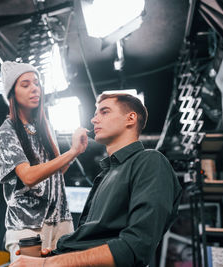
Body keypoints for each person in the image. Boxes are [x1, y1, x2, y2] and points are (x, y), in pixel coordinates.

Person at [10, 93, 182, 267]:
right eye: (95, 114)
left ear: (130, 118)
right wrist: (50, 256)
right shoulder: (104, 175)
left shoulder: (150, 161)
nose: (93, 120)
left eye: (104, 112)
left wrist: (49, 263)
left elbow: (135, 248)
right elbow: (86, 243)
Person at [0, 61, 88, 262]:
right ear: (12, 93)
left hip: (61, 221)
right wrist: (71, 152)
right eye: (25, 85)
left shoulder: (45, 126)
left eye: (36, 83)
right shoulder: (6, 132)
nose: (34, 88)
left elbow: (57, 172)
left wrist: (76, 151)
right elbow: (28, 177)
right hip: (27, 225)